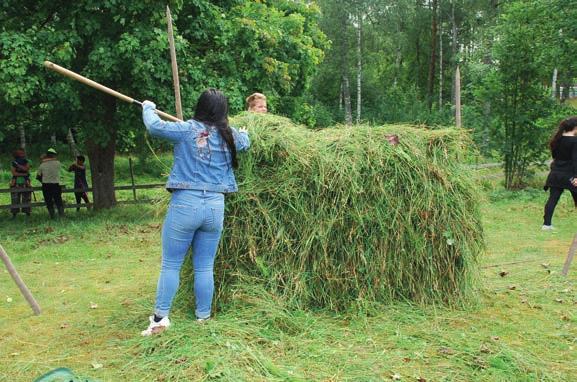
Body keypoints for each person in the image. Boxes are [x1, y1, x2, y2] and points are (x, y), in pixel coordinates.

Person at [140, 89, 250, 336]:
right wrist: (244, 133)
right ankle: (203, 317)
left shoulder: (187, 129)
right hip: (215, 206)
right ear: (223, 112)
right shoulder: (229, 136)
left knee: (171, 264)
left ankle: (160, 319)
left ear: (200, 107)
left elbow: (154, 126)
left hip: (185, 204)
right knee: (204, 266)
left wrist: (148, 106)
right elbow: (245, 143)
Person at [543, 116, 577, 230]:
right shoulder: (575, 141)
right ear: (575, 127)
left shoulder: (557, 139)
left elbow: (555, 157)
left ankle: (546, 225)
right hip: (570, 175)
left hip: (555, 174)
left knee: (553, 199)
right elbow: (575, 160)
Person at [37, 148, 64, 219]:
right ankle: (61, 215)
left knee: (48, 201)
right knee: (58, 200)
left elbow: (38, 176)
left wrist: (43, 180)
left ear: (46, 155)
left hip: (46, 185)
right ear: (54, 155)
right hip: (56, 184)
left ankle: (52, 216)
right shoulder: (58, 163)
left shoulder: (42, 165)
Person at [9, 149, 32, 218]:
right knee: (14, 199)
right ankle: (14, 215)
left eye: (22, 153)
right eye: (19, 153)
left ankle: (27, 214)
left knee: (27, 199)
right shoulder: (13, 162)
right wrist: (25, 174)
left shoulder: (28, 161)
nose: (21, 155)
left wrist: (17, 165)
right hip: (15, 182)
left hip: (26, 182)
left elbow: (26, 169)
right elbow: (14, 173)